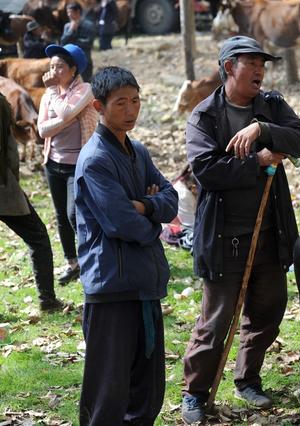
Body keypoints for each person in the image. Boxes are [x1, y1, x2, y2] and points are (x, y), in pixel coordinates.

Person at [180, 35, 300, 424]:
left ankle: (247, 378)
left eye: (262, 64)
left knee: (268, 310)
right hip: (224, 237)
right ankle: (195, 393)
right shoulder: (204, 116)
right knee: (216, 320)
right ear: (228, 68)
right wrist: (258, 160)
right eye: (250, 62)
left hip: (270, 231)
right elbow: (207, 171)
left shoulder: (270, 105)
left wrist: (261, 130)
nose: (259, 70)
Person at [75, 66, 178, 425]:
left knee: (147, 392)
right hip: (112, 289)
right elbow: (121, 223)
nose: (131, 110)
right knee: (108, 394)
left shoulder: (140, 153)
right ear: (98, 107)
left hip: (144, 284)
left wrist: (147, 206)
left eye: (135, 101)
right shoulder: (95, 160)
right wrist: (153, 220)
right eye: (120, 103)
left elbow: (172, 198)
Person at [38, 43, 98, 285]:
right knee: (61, 216)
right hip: (53, 163)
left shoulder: (86, 89)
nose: (53, 72)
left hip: (77, 164)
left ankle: (90, 258)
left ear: (73, 69)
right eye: (51, 66)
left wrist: (56, 103)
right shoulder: (48, 94)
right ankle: (72, 263)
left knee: (76, 215)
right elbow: (42, 130)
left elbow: (64, 114)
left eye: (59, 67)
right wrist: (62, 119)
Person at [0, 93, 64, 312]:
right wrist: (12, 183)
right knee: (38, 237)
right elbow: (7, 151)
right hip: (3, 187)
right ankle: (48, 301)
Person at [60, 3, 96, 82]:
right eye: (67, 12)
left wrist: (72, 43)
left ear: (78, 12)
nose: (69, 15)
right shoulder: (67, 26)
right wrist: (71, 31)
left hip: (85, 59)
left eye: (71, 12)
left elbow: (88, 42)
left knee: (87, 84)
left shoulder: (89, 25)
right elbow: (63, 42)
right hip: (70, 62)